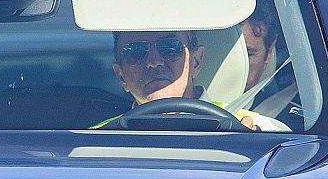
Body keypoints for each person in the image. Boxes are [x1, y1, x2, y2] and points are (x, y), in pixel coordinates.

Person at [99, 29, 270, 129]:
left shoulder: (258, 130)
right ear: (120, 75)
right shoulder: (95, 139)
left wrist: (252, 150)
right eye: (135, 52)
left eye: (170, 48)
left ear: (196, 61)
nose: (153, 62)